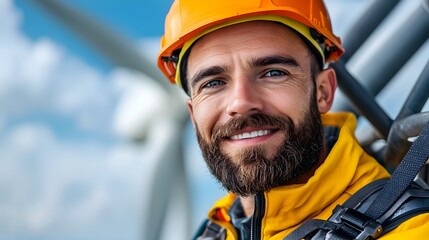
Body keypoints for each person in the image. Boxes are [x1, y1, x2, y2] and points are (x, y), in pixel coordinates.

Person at [157, 1, 429, 239]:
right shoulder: (219, 226)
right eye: (214, 82)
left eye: (273, 73)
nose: (241, 102)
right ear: (193, 115)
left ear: (323, 92)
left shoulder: (412, 230)